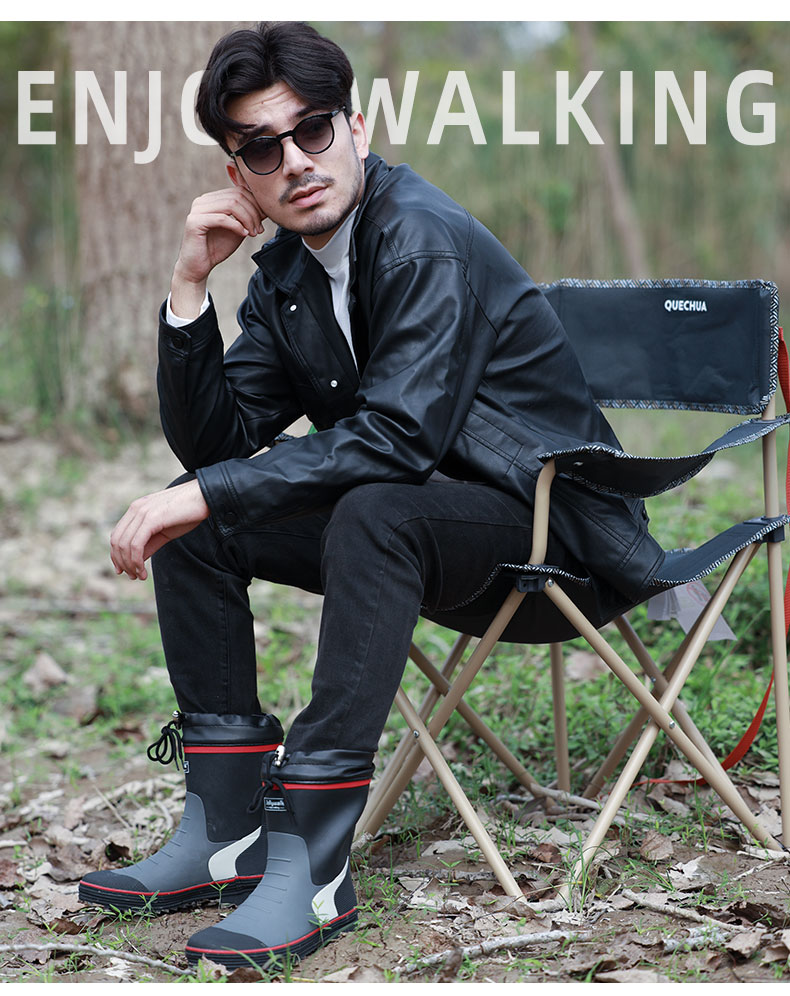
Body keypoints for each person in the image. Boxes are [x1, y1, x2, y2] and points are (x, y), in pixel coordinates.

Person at [79, 21, 663, 970]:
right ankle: (224, 828)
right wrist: (189, 289)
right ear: (239, 176)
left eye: (312, 130)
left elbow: (400, 438)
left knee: (366, 504)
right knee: (199, 521)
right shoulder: (286, 277)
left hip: (554, 542)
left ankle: (311, 858)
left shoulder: (422, 239)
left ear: (356, 126)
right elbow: (220, 445)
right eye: (261, 149)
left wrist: (213, 490)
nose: (295, 163)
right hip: (422, 538)